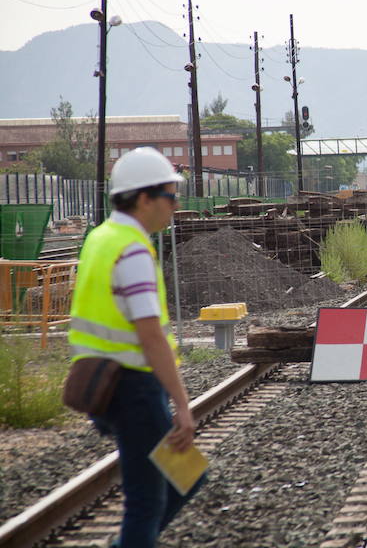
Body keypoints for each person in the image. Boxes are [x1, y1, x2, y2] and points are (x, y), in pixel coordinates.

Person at [68, 147, 202, 548]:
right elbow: (150, 334)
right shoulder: (132, 250)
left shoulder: (101, 238)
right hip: (133, 387)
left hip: (102, 382)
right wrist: (182, 404)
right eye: (171, 196)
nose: (176, 205)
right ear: (145, 198)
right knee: (147, 501)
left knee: (187, 478)